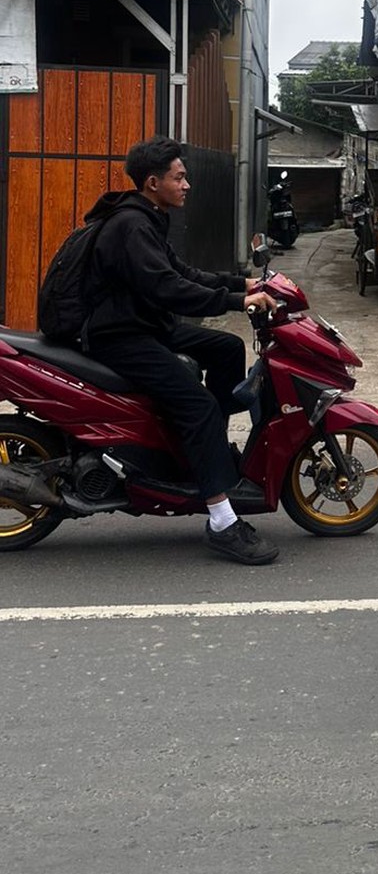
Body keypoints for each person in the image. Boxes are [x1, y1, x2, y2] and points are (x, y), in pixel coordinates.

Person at [83, 138, 281, 565]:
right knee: (202, 407)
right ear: (153, 182)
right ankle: (223, 523)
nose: (187, 184)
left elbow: (180, 272)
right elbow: (169, 289)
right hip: (122, 337)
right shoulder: (131, 227)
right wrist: (235, 302)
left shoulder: (148, 217)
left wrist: (239, 284)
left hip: (146, 325)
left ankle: (205, 452)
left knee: (227, 348)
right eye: (179, 176)